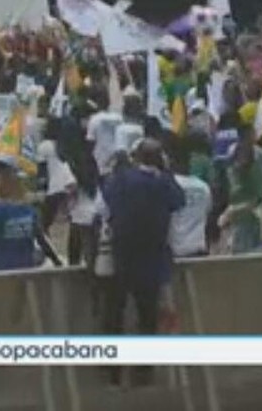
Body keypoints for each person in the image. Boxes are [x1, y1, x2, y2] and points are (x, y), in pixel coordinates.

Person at [100, 138, 184, 386]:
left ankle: (112, 368)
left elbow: (107, 200)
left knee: (115, 311)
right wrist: (166, 171)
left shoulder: (122, 179)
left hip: (121, 256)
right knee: (147, 315)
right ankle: (143, 369)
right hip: (152, 257)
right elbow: (179, 201)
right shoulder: (163, 183)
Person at [220, 123, 262, 254]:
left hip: (251, 220)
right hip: (235, 221)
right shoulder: (233, 166)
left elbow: (259, 198)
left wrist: (233, 211)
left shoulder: (255, 170)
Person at [168, 138, 212, 258]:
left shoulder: (169, 184)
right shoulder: (203, 187)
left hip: (175, 250)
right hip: (198, 248)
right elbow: (207, 212)